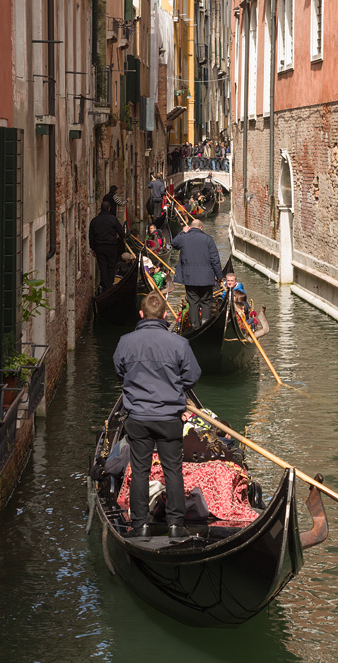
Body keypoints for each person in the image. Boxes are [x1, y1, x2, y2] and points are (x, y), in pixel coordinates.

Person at [113, 291, 201, 540]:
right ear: (165, 315)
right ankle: (175, 526)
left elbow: (119, 372)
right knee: (172, 470)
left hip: (138, 417)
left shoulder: (125, 341)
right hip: (168, 418)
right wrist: (174, 386)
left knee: (140, 470)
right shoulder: (179, 344)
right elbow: (192, 376)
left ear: (141, 315)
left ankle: (140, 525)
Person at [171, 219, 223, 329]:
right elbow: (215, 259)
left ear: (190, 227)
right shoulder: (208, 239)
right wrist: (219, 277)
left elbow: (173, 243)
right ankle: (205, 323)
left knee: (193, 303)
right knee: (206, 302)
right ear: (201, 228)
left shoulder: (183, 238)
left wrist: (182, 232)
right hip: (206, 278)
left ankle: (195, 326)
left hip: (190, 278)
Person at [89, 200, 125, 292]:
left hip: (99, 248)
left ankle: (105, 289)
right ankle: (110, 287)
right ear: (109, 209)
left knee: (103, 268)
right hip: (111, 247)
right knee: (111, 267)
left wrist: (93, 248)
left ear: (101, 208)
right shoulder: (113, 219)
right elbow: (122, 232)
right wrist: (122, 238)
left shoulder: (94, 221)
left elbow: (91, 236)